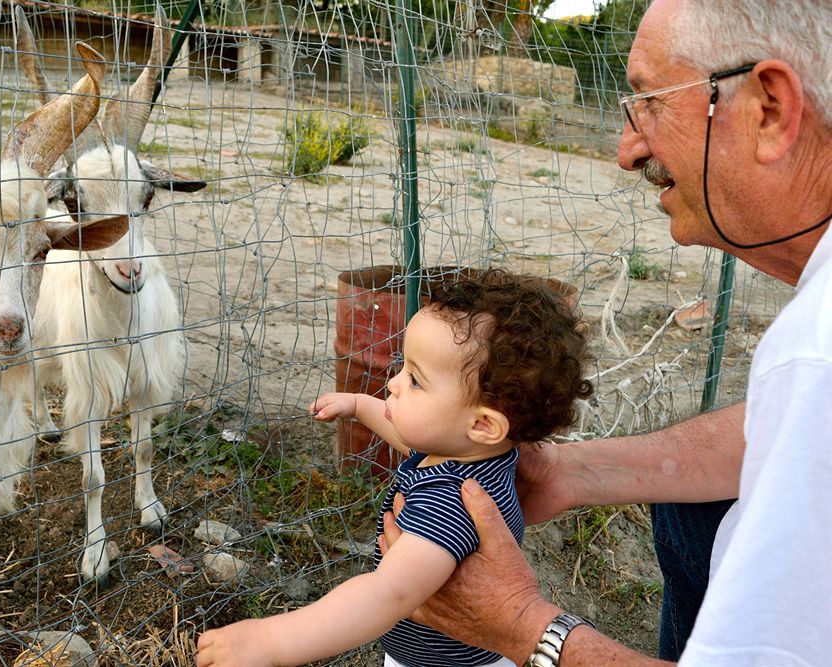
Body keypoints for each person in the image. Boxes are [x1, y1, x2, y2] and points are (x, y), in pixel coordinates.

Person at [379, 1, 832, 665]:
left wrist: (528, 629)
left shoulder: (816, 351)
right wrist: (571, 470)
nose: (627, 150)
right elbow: (785, 427)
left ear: (767, 108)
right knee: (691, 507)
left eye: (651, 101)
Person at [195, 269, 593, 667]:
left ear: (483, 425)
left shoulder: (450, 505)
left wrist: (270, 640)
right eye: (403, 366)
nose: (394, 382)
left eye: (416, 380)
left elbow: (386, 595)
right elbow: (408, 438)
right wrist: (359, 405)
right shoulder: (474, 456)